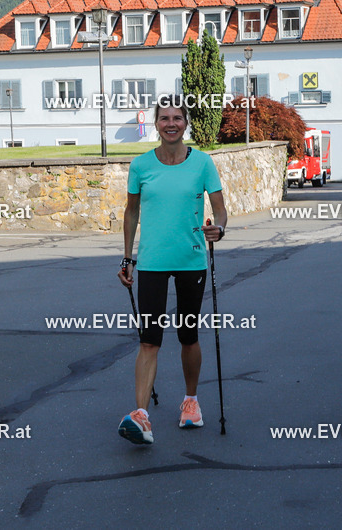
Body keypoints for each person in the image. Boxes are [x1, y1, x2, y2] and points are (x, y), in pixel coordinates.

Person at [117, 96, 227, 445]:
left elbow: (221, 211)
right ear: (156, 123)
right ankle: (140, 415)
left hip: (192, 260)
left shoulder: (203, 164)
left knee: (188, 336)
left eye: (177, 118)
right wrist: (127, 258)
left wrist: (219, 229)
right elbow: (131, 213)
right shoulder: (141, 165)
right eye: (164, 118)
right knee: (149, 340)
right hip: (151, 262)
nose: (171, 124)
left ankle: (191, 402)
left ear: (186, 123)